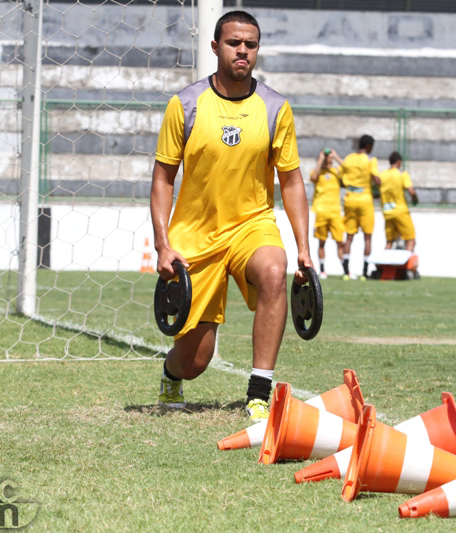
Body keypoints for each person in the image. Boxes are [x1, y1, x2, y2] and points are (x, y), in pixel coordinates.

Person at [150, 11, 312, 420]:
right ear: (215, 46)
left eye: (250, 44)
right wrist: (162, 244)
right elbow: (163, 179)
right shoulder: (185, 105)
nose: (243, 51)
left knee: (274, 270)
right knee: (195, 361)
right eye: (234, 43)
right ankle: (171, 373)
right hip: (195, 235)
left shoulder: (275, 108)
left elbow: (292, 182)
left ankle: (258, 393)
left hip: (251, 226)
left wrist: (304, 248)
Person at [334, 135, 379, 280]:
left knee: (349, 237)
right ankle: (364, 272)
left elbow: (341, 179)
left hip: (350, 199)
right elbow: (376, 179)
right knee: (367, 238)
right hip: (365, 200)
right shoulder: (370, 160)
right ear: (369, 146)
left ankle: (346, 272)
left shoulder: (348, 158)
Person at [310, 148, 344, 279]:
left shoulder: (336, 171)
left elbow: (349, 171)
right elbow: (313, 177)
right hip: (321, 211)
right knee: (322, 241)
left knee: (340, 241)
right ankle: (323, 270)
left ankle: (346, 270)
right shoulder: (317, 171)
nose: (327, 158)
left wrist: (336, 157)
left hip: (335, 211)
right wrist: (320, 160)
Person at [379, 151, 418, 255]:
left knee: (389, 242)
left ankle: (384, 263)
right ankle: (407, 262)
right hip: (400, 211)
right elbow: (411, 191)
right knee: (410, 239)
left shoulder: (382, 174)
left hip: (387, 212)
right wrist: (415, 199)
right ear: (399, 161)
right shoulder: (402, 174)